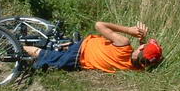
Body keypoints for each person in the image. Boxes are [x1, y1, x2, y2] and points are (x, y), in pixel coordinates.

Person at [23, 21, 163, 73]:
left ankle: (16, 47)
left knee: (41, 53)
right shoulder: (136, 68)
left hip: (80, 51)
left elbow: (99, 25)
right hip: (80, 56)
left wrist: (128, 30)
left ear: (140, 49)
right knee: (55, 48)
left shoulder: (123, 43)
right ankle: (60, 45)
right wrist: (141, 42)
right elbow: (141, 57)